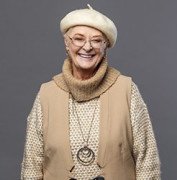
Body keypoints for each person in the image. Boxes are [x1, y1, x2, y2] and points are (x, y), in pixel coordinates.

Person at [21, 4, 161, 180]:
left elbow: (147, 160)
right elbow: (31, 166)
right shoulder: (46, 94)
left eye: (96, 40)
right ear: (67, 43)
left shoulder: (127, 90)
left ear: (105, 47)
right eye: (78, 39)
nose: (87, 47)